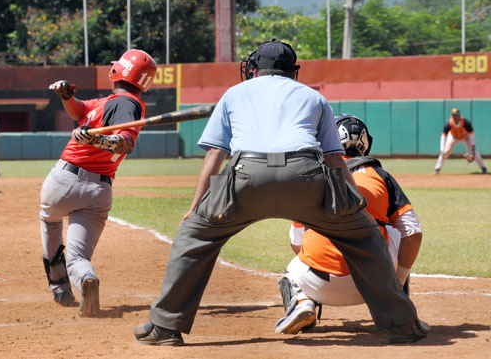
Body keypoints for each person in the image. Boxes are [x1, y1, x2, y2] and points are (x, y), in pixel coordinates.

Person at [133, 39, 429, 346]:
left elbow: (215, 156)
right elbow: (334, 159)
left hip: (245, 176)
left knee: (193, 237)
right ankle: (403, 324)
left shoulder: (234, 94)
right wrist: (358, 208)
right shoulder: (315, 98)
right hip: (307, 176)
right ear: (294, 71)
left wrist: (195, 207)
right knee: (364, 237)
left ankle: (166, 326)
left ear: (255, 68)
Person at [275, 114, 423, 335]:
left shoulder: (311, 177)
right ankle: (396, 311)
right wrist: (397, 283)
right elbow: (413, 232)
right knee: (396, 234)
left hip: (317, 283)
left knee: (292, 268)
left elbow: (297, 241)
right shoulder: (380, 176)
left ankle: (302, 302)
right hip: (376, 283)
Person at [39, 49, 156, 317]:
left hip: (64, 181)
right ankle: (85, 279)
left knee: (50, 220)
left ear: (120, 71)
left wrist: (96, 140)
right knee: (79, 258)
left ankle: (59, 287)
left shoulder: (126, 104)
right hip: (98, 191)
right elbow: (80, 110)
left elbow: (123, 142)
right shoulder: (111, 102)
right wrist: (67, 97)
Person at [434, 108, 486, 175]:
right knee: (445, 152)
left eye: (456, 115)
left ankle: (483, 168)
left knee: (474, 153)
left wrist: (472, 148)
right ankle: (437, 169)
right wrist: (442, 149)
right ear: (451, 116)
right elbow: (443, 136)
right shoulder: (448, 124)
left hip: (465, 137)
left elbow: (472, 135)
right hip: (453, 137)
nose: (455, 117)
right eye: (453, 115)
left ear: (459, 116)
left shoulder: (466, 123)